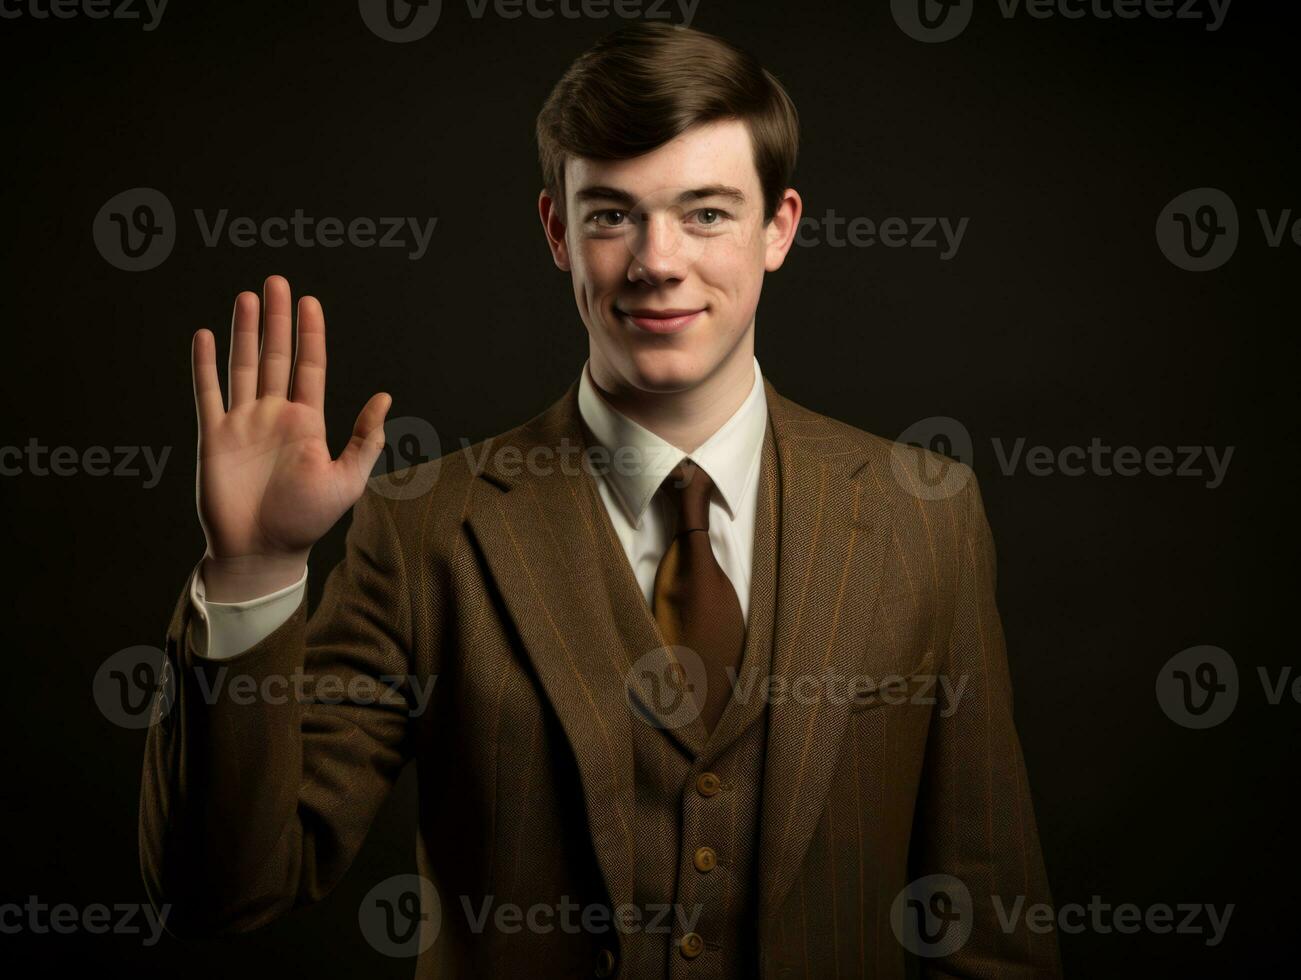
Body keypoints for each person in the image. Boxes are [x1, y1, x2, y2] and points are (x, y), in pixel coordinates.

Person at [139, 22, 1061, 979]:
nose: (657, 261)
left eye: (705, 214)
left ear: (779, 227)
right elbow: (222, 892)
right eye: (612, 215)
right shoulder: (425, 530)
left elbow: (987, 929)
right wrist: (252, 571)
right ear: (556, 231)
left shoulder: (927, 514)